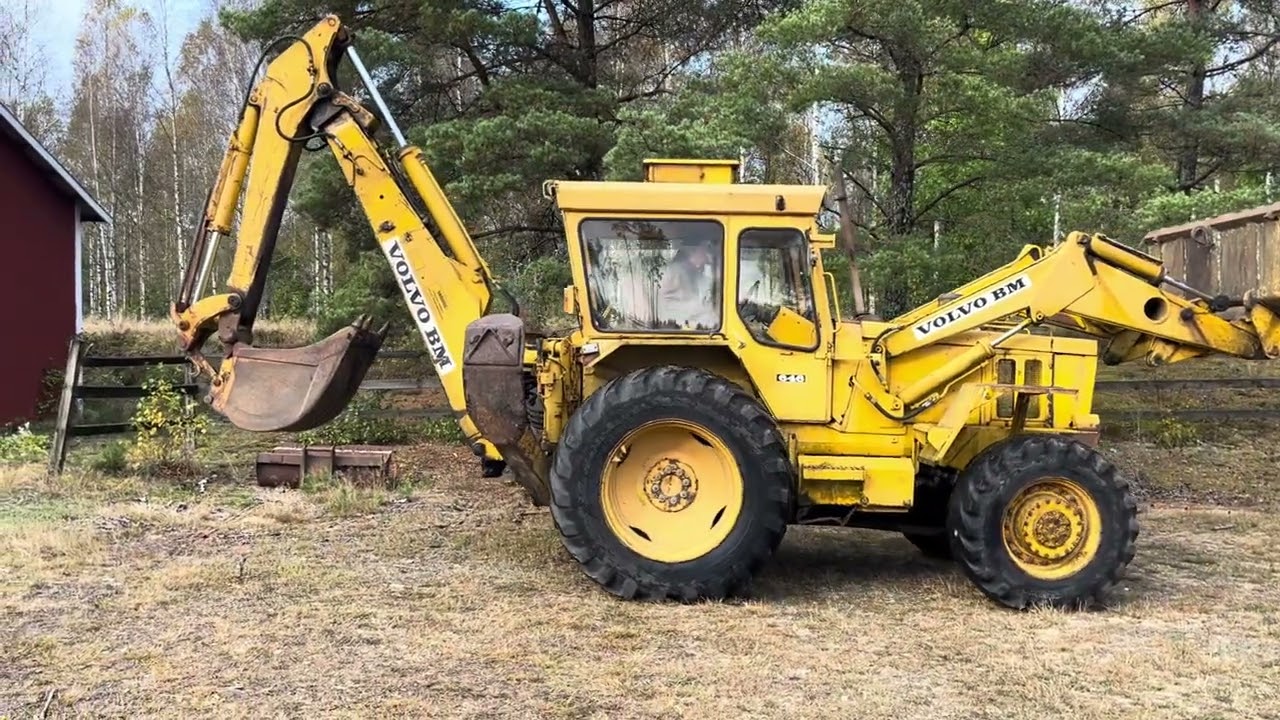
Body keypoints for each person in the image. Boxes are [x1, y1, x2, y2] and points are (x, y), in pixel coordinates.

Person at [658, 238, 718, 329]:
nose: (708, 254)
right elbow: (664, 303)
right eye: (706, 248)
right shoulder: (673, 272)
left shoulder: (697, 275)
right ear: (692, 250)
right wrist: (703, 309)